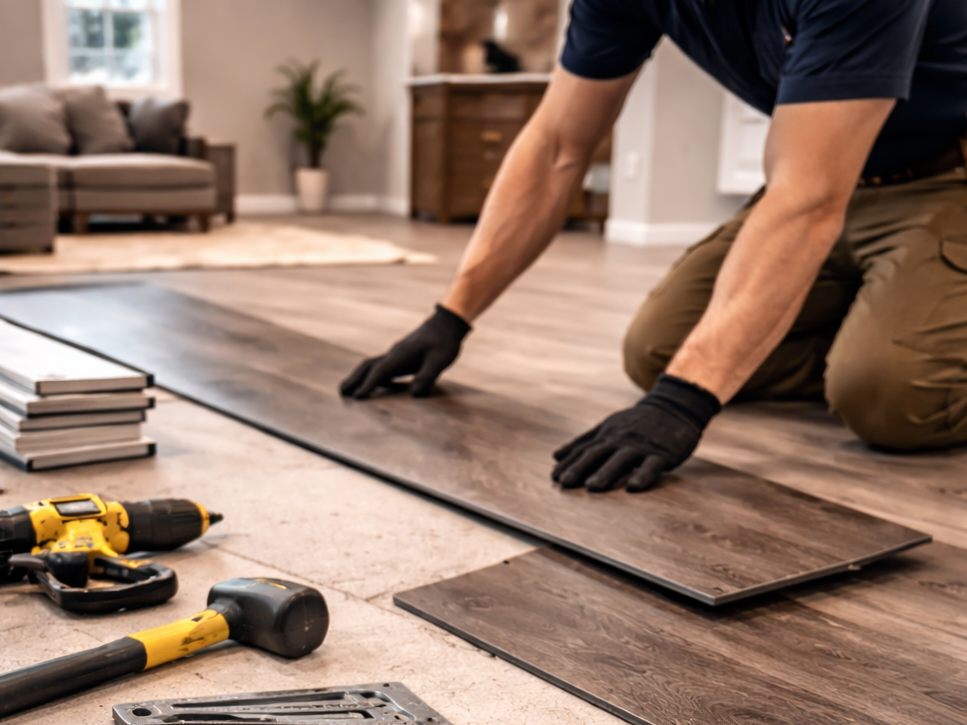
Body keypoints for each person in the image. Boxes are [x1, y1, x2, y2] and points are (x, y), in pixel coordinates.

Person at [340, 0, 967, 493]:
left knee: (891, 398)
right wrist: (451, 316)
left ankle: (893, 352)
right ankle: (887, 330)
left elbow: (808, 199)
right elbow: (557, 147)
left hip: (944, 177)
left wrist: (684, 402)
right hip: (825, 176)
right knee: (658, 350)